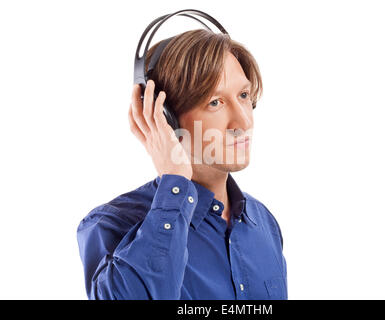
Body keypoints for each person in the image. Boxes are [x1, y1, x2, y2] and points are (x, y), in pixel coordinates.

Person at [76, 29, 287, 300]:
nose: (244, 122)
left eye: (244, 95)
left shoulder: (263, 223)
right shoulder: (111, 225)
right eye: (215, 102)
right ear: (165, 119)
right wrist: (174, 180)